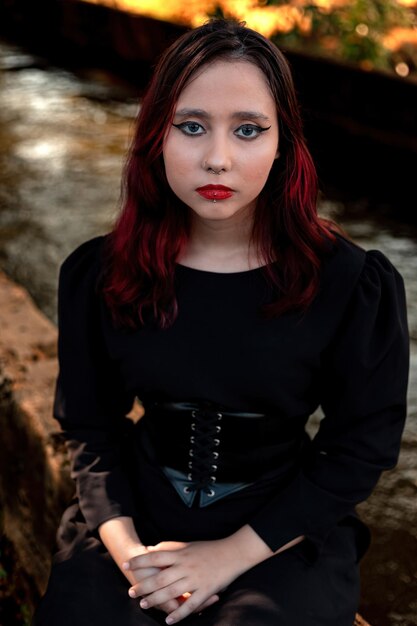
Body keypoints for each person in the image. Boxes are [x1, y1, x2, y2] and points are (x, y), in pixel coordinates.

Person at [32, 17, 409, 626]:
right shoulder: (101, 272)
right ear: (157, 134)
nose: (218, 158)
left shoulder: (349, 283)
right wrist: (132, 558)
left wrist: (225, 558)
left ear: (283, 141)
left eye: (249, 130)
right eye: (192, 126)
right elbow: (90, 428)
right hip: (132, 520)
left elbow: (358, 448)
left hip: (278, 531)